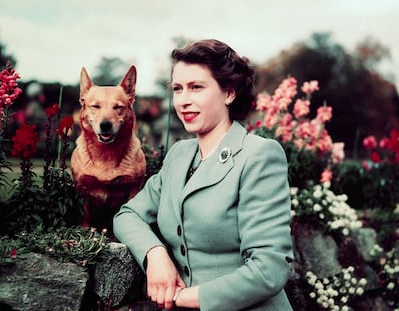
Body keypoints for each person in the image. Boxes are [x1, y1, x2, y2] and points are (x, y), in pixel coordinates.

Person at [113, 39, 293, 310]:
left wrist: (184, 297)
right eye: (177, 89)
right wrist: (155, 253)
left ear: (229, 93)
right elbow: (128, 215)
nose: (184, 101)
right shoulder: (179, 155)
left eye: (197, 87)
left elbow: (269, 269)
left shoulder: (259, 155)